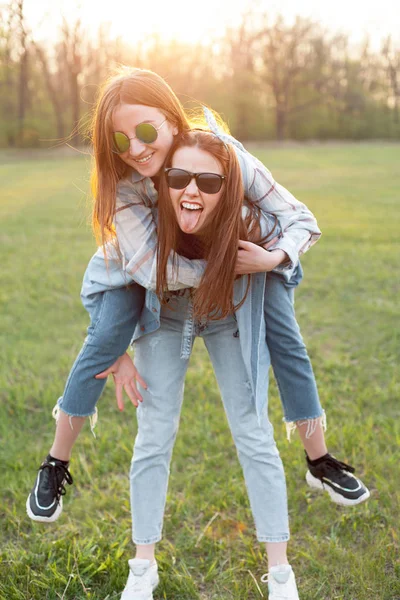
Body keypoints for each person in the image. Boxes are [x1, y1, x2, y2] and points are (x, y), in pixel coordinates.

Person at [26, 67, 369, 529]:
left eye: (146, 131)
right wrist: (221, 270)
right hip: (149, 267)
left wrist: (270, 259)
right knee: (106, 335)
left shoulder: (221, 157)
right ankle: (55, 462)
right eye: (120, 141)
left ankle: (320, 460)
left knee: (286, 339)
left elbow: (299, 218)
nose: (137, 148)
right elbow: (149, 269)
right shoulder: (127, 186)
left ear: (171, 118)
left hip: (247, 257)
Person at [121, 128, 301, 599]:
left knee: (253, 429)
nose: (192, 190)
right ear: (165, 179)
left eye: (210, 182)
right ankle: (143, 565)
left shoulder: (248, 214)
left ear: (229, 187)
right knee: (154, 432)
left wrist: (272, 257)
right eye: (179, 177)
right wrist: (114, 351)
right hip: (166, 312)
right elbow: (102, 276)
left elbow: (302, 221)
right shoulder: (141, 204)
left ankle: (280, 572)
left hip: (228, 307)